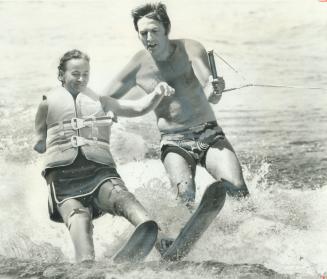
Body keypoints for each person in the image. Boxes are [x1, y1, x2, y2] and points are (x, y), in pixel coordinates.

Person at [103, 3, 250, 253]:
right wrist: (108, 111)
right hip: (173, 141)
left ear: (166, 29)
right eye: (143, 33)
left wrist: (215, 89)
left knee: (236, 185)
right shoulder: (137, 66)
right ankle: (173, 240)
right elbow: (106, 98)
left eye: (154, 31)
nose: (149, 38)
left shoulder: (190, 48)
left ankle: (251, 231)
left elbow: (208, 86)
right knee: (185, 194)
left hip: (209, 134)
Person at [34, 49, 174, 263]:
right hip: (64, 184)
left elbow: (137, 107)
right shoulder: (47, 103)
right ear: (62, 74)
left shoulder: (102, 102)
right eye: (75, 73)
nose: (81, 78)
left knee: (122, 197)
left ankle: (160, 238)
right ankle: (88, 269)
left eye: (85, 74)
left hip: (99, 173)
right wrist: (41, 141)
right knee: (81, 234)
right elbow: (39, 133)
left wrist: (157, 93)